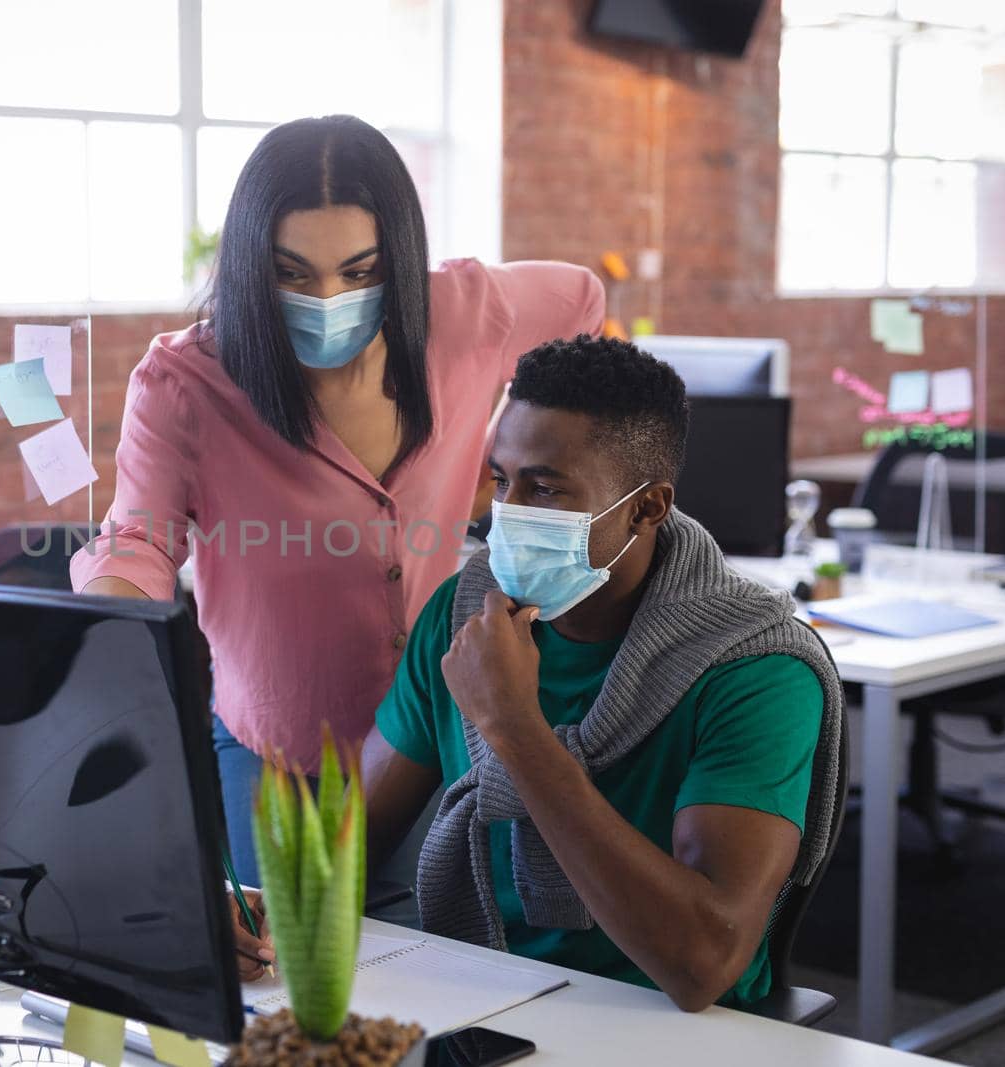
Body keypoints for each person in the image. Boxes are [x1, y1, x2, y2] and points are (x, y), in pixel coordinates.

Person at [70, 115, 604, 886]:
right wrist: (113, 623)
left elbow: (582, 300)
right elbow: (139, 538)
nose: (327, 298)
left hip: (441, 743)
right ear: (253, 266)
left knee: (452, 974)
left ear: (400, 260)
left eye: (360, 272)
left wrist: (510, 461)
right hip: (280, 760)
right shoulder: (187, 382)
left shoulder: (464, 314)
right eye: (293, 273)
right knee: (290, 989)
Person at [348, 335, 843, 1011]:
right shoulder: (465, 613)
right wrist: (250, 910)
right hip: (480, 991)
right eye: (502, 479)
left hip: (663, 1026)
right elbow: (344, 837)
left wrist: (517, 729)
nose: (506, 515)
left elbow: (704, 963)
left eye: (545, 487)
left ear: (647, 507)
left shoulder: (756, 669)